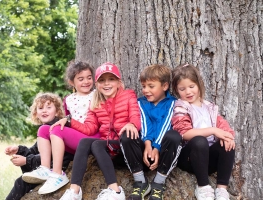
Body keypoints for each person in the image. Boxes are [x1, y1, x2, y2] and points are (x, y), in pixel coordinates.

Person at [58, 62, 141, 200]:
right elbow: (89, 129)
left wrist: (132, 124)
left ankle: (116, 191)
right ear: (97, 84)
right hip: (108, 148)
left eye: (111, 79)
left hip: (126, 146)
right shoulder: (96, 102)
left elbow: (135, 115)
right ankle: (74, 191)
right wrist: (69, 121)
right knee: (85, 141)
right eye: (102, 80)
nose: (106, 84)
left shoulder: (128, 95)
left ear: (118, 82)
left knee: (97, 144)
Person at [22, 61, 100, 195]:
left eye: (89, 77)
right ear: (71, 82)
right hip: (75, 138)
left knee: (56, 129)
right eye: (80, 79)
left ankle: (58, 174)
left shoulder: (96, 95)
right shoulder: (68, 99)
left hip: (91, 138)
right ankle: (46, 168)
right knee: (44, 129)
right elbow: (66, 120)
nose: (86, 81)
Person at [171, 64, 235, 200]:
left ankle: (222, 189)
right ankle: (203, 187)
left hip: (208, 160)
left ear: (199, 85)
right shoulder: (181, 107)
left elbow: (223, 126)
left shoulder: (209, 107)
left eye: (191, 87)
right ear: (177, 90)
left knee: (228, 143)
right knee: (199, 141)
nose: (188, 92)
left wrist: (227, 136)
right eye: (182, 89)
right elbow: (184, 133)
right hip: (190, 158)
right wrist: (212, 130)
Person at [121, 64, 182, 200]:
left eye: (151, 86)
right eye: (143, 86)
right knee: (127, 136)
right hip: (144, 149)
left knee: (174, 136)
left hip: (164, 152)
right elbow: (144, 124)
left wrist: (156, 148)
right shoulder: (140, 103)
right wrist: (148, 145)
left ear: (165, 86)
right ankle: (141, 182)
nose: (146, 90)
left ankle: (159, 183)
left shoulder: (173, 103)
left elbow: (166, 124)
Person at [5, 92, 74, 200]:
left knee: (21, 182)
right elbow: (35, 150)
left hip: (59, 167)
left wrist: (26, 161)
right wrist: (19, 149)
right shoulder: (44, 130)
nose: (44, 110)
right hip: (48, 167)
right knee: (22, 181)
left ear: (57, 112)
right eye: (41, 108)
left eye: (49, 107)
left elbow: (51, 156)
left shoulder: (57, 129)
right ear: (36, 113)